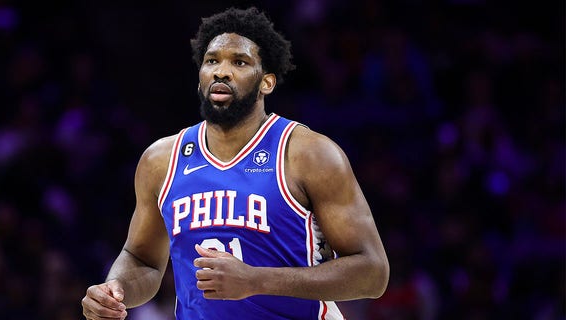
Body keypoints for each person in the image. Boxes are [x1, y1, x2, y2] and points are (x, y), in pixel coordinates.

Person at [82, 7, 389, 320]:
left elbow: (373, 272)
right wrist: (114, 289)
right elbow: (141, 259)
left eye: (239, 62)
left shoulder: (308, 154)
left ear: (266, 82)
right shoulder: (161, 160)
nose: (221, 71)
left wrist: (255, 280)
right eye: (212, 61)